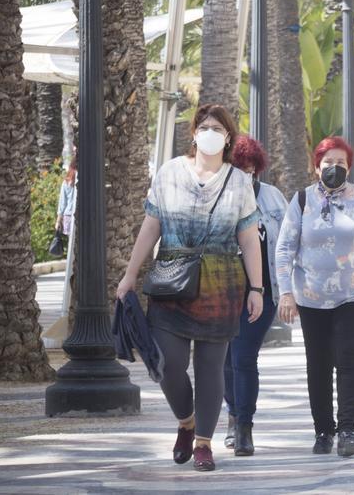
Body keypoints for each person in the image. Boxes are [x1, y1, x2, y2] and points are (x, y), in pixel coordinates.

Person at [115, 104, 263, 472]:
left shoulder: (240, 182)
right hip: (171, 280)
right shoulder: (168, 173)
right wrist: (130, 274)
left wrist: (257, 288)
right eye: (205, 126)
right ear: (194, 132)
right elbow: (152, 226)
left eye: (219, 128)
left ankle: (203, 443)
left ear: (228, 138)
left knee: (211, 367)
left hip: (221, 283)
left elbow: (248, 240)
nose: (211, 132)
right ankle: (185, 420)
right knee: (167, 364)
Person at [275, 136, 354, 458]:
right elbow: (284, 248)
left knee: (349, 360)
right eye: (328, 163)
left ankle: (348, 430)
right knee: (319, 364)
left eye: (340, 163)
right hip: (310, 295)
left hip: (353, 292)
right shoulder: (300, 201)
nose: (334, 168)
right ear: (316, 167)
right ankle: (323, 430)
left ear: (349, 168)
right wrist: (285, 293)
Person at [221, 136, 289, 456]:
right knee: (224, 359)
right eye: (239, 170)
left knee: (243, 356)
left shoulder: (273, 199)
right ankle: (233, 415)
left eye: (251, 171)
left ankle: (244, 427)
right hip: (221, 289)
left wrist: (289, 291)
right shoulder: (218, 198)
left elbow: (288, 245)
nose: (246, 176)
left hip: (263, 291)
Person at [55, 155, 77, 248]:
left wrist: (58, 221)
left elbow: (62, 203)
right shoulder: (84, 179)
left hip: (68, 216)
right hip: (80, 214)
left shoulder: (67, 181)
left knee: (72, 246)